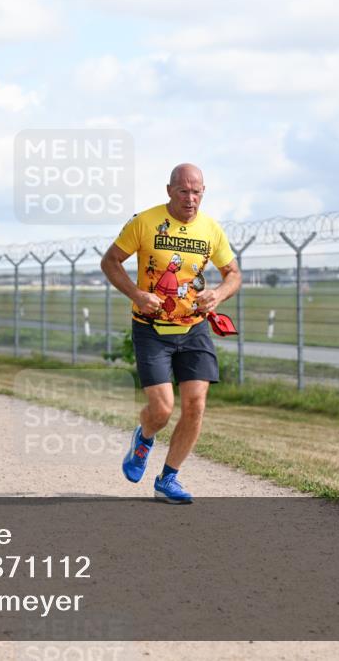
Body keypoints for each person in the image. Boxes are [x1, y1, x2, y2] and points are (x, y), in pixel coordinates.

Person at [100, 163, 242, 504]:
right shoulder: (145, 222)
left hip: (194, 329)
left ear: (203, 192)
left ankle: (168, 478)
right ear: (169, 190)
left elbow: (233, 273)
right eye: (183, 191)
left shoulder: (211, 229)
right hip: (151, 329)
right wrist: (137, 294)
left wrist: (217, 295)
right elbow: (110, 261)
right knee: (162, 409)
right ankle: (144, 438)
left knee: (195, 405)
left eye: (196, 192)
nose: (190, 199)